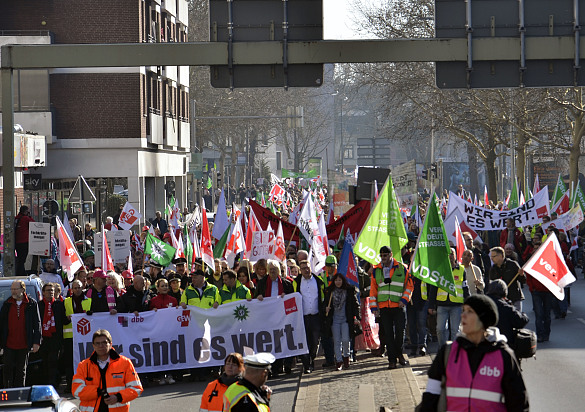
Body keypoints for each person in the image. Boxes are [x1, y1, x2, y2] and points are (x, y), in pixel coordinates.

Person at [418, 295, 529, 411]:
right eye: (463, 310)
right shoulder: (447, 352)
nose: (463, 315)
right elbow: (430, 398)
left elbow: (519, 404)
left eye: (470, 311)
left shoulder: (504, 356)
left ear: (483, 320)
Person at [72, 329, 143, 411]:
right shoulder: (84, 365)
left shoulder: (125, 363)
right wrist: (98, 392)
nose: (101, 346)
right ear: (93, 346)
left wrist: (118, 397)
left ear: (110, 344)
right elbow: (76, 391)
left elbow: (136, 388)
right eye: (97, 343)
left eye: (104, 343)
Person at [369, 245, 413, 369]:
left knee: (400, 333)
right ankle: (392, 360)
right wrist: (374, 308)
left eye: (385, 255)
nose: (383, 258)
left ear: (391, 255)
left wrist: (404, 300)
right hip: (384, 307)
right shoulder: (376, 270)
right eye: (381, 255)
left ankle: (399, 353)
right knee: (388, 335)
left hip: (399, 306)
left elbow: (409, 286)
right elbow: (373, 290)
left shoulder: (402, 268)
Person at [0, 280, 42, 388]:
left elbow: (37, 323)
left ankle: (19, 393)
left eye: (15, 289)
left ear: (23, 290)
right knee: (7, 370)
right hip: (9, 344)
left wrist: (36, 342)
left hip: (24, 344)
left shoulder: (31, 304)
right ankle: (7, 393)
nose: (13, 291)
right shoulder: (7, 304)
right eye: (12, 289)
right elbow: (1, 325)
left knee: (21, 371)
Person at [428, 249, 467, 347]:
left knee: (455, 330)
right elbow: (433, 288)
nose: (449, 256)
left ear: (455, 256)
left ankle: (454, 351)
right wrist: (431, 305)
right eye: (447, 254)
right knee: (440, 329)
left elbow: (465, 288)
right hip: (442, 304)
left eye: (452, 254)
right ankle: (443, 350)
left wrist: (468, 304)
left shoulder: (462, 270)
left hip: (456, 305)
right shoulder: (439, 269)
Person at [292, 259, 325, 374]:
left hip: (316, 316)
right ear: (300, 270)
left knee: (315, 341)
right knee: (304, 341)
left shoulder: (318, 281)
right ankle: (307, 365)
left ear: (310, 268)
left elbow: (322, 298)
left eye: (307, 267)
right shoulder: (296, 282)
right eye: (303, 268)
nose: (306, 270)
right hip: (303, 317)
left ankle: (312, 358)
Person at [324, 273, 360, 371]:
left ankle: (346, 357)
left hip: (346, 320)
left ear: (343, 281)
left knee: (345, 340)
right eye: (336, 280)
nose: (338, 282)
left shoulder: (349, 291)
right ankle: (339, 361)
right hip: (335, 320)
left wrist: (357, 317)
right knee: (337, 341)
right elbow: (324, 304)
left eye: (340, 280)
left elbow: (355, 305)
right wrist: (326, 309)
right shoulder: (330, 292)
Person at [63, 280, 92, 392]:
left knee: (86, 361)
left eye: (79, 287)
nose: (77, 290)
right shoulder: (66, 302)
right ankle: (70, 384)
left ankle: (88, 382)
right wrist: (67, 318)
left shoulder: (89, 301)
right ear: (72, 289)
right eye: (75, 288)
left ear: (82, 287)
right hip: (70, 337)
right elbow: (62, 319)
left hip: (86, 336)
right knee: (69, 361)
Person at [38, 283, 66, 388]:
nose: (50, 292)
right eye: (48, 290)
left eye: (52, 290)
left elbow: (63, 320)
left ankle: (53, 383)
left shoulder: (59, 304)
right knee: (45, 362)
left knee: (53, 361)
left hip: (55, 338)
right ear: (43, 293)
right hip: (44, 338)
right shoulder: (39, 305)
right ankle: (47, 382)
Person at [486, 280, 529, 346]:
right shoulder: (506, 307)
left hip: (483, 343)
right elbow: (521, 321)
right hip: (504, 344)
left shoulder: (482, 304)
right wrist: (523, 314)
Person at [489, 246, 526, 311]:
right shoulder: (493, 269)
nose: (491, 258)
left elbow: (523, 281)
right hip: (501, 299)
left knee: (516, 318)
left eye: (493, 256)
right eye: (491, 257)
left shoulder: (512, 264)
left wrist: (521, 275)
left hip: (514, 297)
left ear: (501, 256)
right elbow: (492, 283)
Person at [15, 205, 35, 276]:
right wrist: (30, 216)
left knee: (20, 258)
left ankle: (22, 272)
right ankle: (20, 273)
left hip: (17, 242)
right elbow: (33, 224)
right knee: (22, 260)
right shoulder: (26, 218)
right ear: (26, 211)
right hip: (24, 242)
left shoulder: (16, 218)